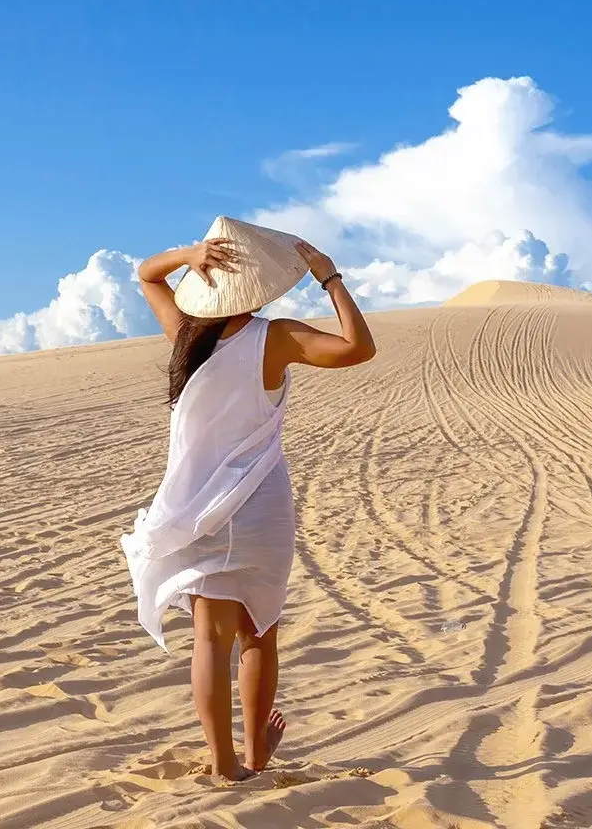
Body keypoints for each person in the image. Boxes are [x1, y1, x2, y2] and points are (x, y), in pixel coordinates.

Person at [120, 230, 376, 781]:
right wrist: (330, 278)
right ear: (254, 291)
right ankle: (257, 755)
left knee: (209, 639)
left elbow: (146, 273)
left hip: (197, 508)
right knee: (259, 633)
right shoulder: (274, 337)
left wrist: (187, 256)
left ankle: (224, 764)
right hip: (259, 502)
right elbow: (358, 348)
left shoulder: (185, 337)